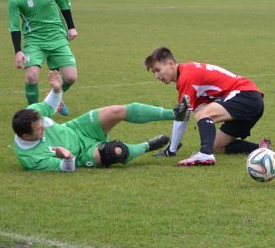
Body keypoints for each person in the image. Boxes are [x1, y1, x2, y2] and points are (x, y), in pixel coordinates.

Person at [12, 70, 190, 172]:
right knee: (115, 152)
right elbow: (67, 168)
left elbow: (49, 106)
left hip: (77, 128)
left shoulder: (33, 114)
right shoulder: (30, 159)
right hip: (82, 154)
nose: (43, 127)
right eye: (39, 130)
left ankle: (174, 113)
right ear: (26, 136)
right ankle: (147, 145)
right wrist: (66, 157)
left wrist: (57, 90)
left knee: (116, 110)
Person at [144, 47, 270, 167]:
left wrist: (171, 150)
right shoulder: (188, 74)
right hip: (250, 101)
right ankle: (262, 149)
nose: (156, 76)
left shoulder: (187, 76)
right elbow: (191, 110)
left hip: (246, 95)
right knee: (217, 146)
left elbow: (182, 116)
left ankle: (205, 154)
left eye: (158, 70)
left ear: (171, 63)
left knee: (203, 114)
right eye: (154, 72)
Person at [8, 0, 78, 116]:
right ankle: (35, 114)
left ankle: (52, 96)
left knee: (71, 77)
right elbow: (14, 26)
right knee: (31, 76)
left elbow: (64, 4)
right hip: (34, 41)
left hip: (56, 37)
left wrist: (71, 27)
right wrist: (18, 51)